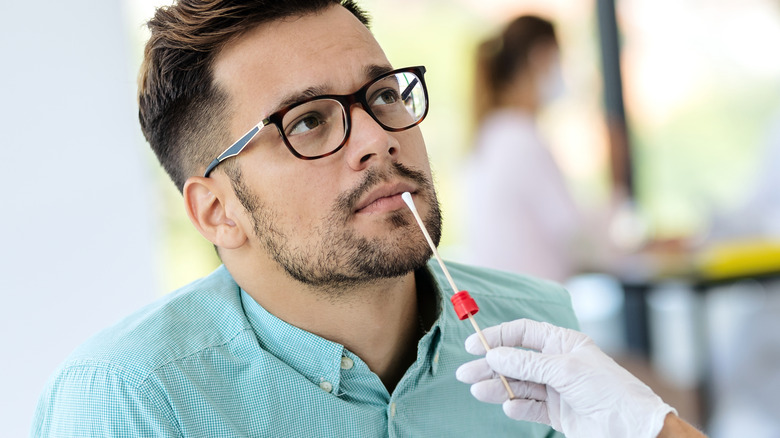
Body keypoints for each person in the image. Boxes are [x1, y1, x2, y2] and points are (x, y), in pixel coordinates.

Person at [31, 1, 701, 437]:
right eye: (309, 121)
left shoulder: (537, 332)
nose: (379, 138)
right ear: (218, 211)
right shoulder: (128, 402)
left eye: (383, 94)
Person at [462, 16, 588, 283]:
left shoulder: (491, 134)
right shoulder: (521, 140)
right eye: (558, 59)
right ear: (540, 57)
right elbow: (574, 235)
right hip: (534, 307)